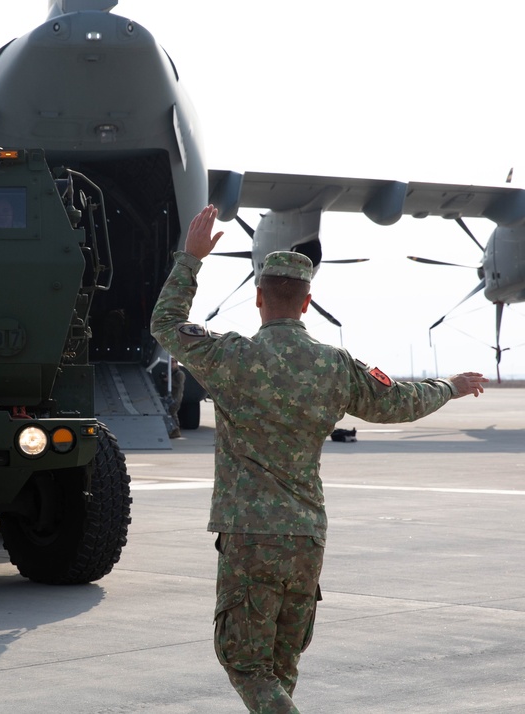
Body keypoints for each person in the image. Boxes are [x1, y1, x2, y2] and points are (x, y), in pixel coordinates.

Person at [150, 204, 488, 714]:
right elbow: (398, 401)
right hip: (306, 536)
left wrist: (191, 259)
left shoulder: (232, 357)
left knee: (247, 666)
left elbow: (166, 324)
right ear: (307, 302)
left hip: (251, 536)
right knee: (282, 669)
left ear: (259, 298)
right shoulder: (336, 366)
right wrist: (451, 386)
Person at [166, 356, 185, 438]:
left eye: (173, 362)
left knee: (173, 413)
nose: (172, 364)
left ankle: (176, 429)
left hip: (177, 397)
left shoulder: (179, 374)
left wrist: (169, 380)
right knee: (172, 413)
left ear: (177, 364)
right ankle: (175, 429)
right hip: (173, 396)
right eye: (171, 362)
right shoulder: (172, 373)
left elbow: (178, 385)